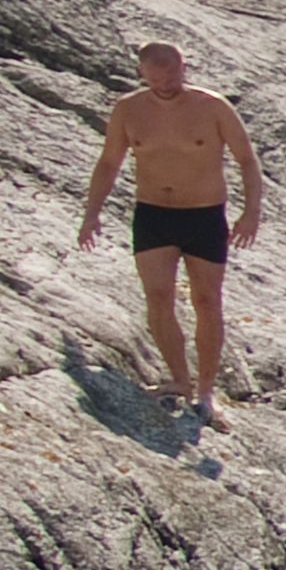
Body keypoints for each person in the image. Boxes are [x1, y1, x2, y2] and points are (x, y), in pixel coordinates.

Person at [74, 40, 266, 413]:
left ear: (183, 67)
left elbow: (246, 159)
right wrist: (91, 213)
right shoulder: (128, 109)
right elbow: (110, 161)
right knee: (158, 298)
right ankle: (179, 379)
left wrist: (251, 212)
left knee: (207, 300)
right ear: (142, 73)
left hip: (204, 215)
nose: (165, 85)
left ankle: (206, 390)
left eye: (172, 76)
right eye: (156, 78)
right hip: (153, 214)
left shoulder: (213, 107)